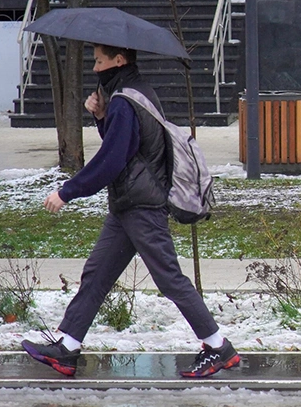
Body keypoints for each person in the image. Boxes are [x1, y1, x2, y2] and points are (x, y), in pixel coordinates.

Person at [21, 43, 240, 379]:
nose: (94, 68)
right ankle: (67, 346)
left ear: (118, 60)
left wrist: (67, 191)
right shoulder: (136, 93)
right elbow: (128, 147)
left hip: (141, 207)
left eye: (99, 60)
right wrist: (100, 117)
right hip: (129, 204)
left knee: (169, 279)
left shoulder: (125, 100)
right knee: (97, 274)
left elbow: (112, 159)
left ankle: (218, 347)